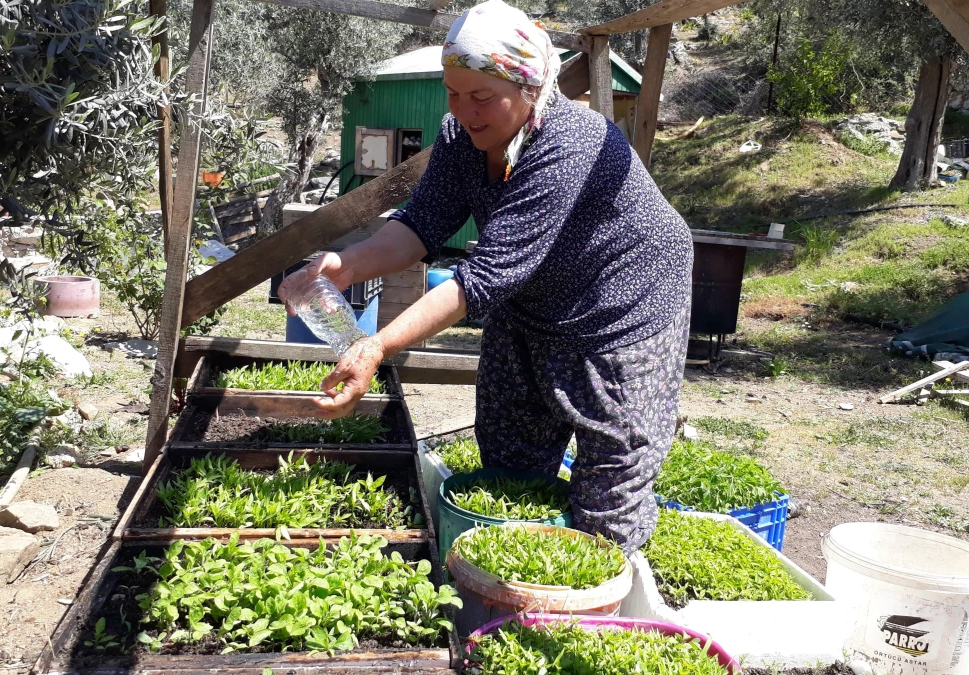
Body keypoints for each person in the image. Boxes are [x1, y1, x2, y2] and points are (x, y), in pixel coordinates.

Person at [278, 0, 692, 552]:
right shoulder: (460, 136)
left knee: (609, 488)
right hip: (532, 295)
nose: (464, 110)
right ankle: (512, 589)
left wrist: (376, 346)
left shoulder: (568, 141)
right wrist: (346, 263)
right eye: (453, 92)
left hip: (620, 311)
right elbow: (421, 225)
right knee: (511, 463)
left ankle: (597, 599)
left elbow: (485, 277)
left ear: (529, 87)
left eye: (481, 96)